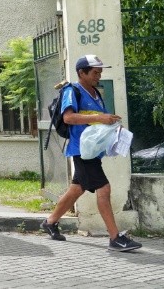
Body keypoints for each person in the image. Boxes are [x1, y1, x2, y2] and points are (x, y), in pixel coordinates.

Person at [41, 54, 142, 252]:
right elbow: (68, 118)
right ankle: (115, 238)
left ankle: (50, 222)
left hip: (92, 151)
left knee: (76, 189)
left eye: (100, 72)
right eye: (95, 72)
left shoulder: (96, 93)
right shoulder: (72, 90)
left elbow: (96, 123)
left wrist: (112, 127)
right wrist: (99, 117)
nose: (99, 75)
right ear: (82, 73)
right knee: (104, 189)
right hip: (82, 151)